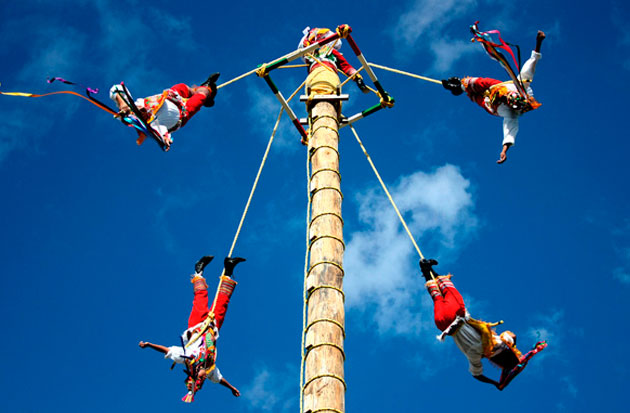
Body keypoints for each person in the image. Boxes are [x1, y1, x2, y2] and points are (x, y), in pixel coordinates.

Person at [419, 258, 545, 390]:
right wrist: (496, 383)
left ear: (508, 351)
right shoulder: (475, 356)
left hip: (457, 315)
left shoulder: (497, 343)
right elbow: (477, 375)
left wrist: (519, 350)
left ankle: (429, 270)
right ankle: (427, 271)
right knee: (437, 297)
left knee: (449, 290)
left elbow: (510, 335)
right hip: (442, 324)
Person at [139, 255, 245, 402]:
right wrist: (232, 388)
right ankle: (228, 269)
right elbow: (220, 379)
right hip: (213, 327)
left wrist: (149, 345)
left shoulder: (187, 358)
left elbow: (168, 351)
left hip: (197, 325)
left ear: (194, 375)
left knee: (200, 298)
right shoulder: (210, 370)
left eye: (199, 379)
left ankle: (198, 271)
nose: (203, 378)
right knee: (222, 302)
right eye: (202, 381)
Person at [442, 31, 546, 163]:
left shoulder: (512, 113)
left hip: (491, 105)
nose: (509, 100)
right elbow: (530, 65)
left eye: (510, 102)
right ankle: (460, 86)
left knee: (477, 98)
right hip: (493, 88)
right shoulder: (520, 86)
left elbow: (510, 131)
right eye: (511, 98)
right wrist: (538, 43)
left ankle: (460, 89)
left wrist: (504, 151)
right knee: (480, 83)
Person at [109, 73, 220, 150]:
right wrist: (165, 138)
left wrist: (123, 105)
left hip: (171, 97)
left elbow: (116, 88)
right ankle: (207, 89)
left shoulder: (136, 105)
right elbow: (159, 130)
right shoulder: (151, 124)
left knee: (184, 87)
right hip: (181, 114)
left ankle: (203, 86)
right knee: (202, 95)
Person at [298, 26, 369, 93]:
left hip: (327, 66)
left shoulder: (329, 50)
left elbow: (344, 65)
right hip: (315, 71)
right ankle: (357, 78)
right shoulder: (309, 55)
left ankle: (357, 78)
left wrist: (342, 31)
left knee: (343, 64)